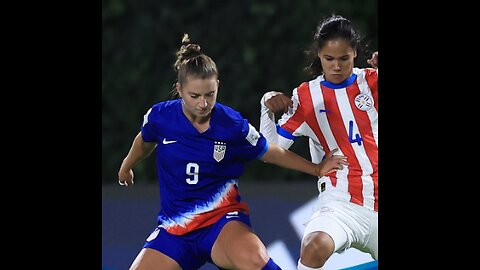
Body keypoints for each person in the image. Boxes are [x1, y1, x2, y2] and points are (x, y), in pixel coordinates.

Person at [117, 33, 348, 270]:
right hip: (174, 230)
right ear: (179, 89)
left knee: (256, 261)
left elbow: (270, 152)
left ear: (217, 85)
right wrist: (127, 166)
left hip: (221, 223)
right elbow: (145, 141)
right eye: (194, 96)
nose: (203, 103)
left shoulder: (232, 124)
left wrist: (317, 168)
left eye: (209, 95)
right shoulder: (160, 117)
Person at [259, 15, 378, 270]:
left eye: (344, 59)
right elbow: (269, 151)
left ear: (355, 53)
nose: (336, 66)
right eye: (329, 59)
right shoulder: (305, 97)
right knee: (314, 246)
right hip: (342, 202)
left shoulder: (372, 82)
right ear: (319, 55)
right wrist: (266, 109)